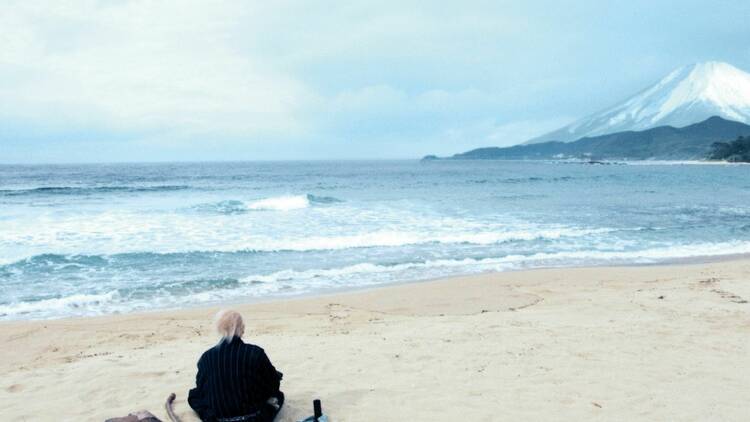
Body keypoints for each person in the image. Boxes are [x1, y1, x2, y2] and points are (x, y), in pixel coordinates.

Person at [188, 310, 284, 422]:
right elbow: (273, 385)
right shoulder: (255, 352)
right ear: (241, 329)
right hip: (254, 418)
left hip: (217, 419)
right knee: (278, 395)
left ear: (219, 329)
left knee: (195, 394)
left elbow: (201, 387)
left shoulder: (206, 357)